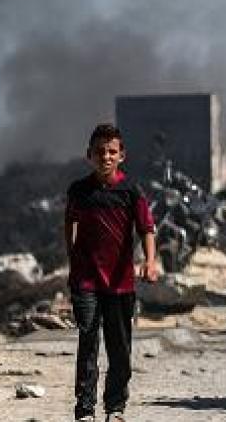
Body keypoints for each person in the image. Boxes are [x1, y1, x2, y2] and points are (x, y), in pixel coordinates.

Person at [65, 123, 159, 422]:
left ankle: (115, 407)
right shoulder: (79, 191)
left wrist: (150, 262)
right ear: (89, 155)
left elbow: (147, 229)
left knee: (119, 348)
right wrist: (73, 259)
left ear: (121, 155)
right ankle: (85, 410)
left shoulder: (131, 191)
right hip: (86, 280)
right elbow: (70, 225)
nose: (105, 157)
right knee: (88, 341)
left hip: (120, 282)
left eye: (111, 152)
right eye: (99, 152)